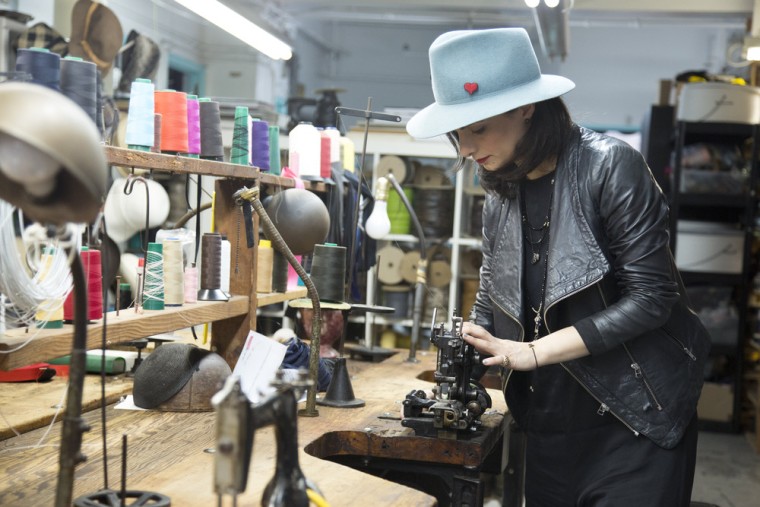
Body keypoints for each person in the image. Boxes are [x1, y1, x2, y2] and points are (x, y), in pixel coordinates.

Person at [406, 27, 711, 506]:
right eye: (458, 133)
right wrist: (467, 341)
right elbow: (493, 289)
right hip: (549, 422)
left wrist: (532, 352)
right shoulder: (500, 193)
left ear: (526, 106)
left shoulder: (610, 167)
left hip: (635, 420)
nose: (465, 148)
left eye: (478, 127)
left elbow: (652, 299)